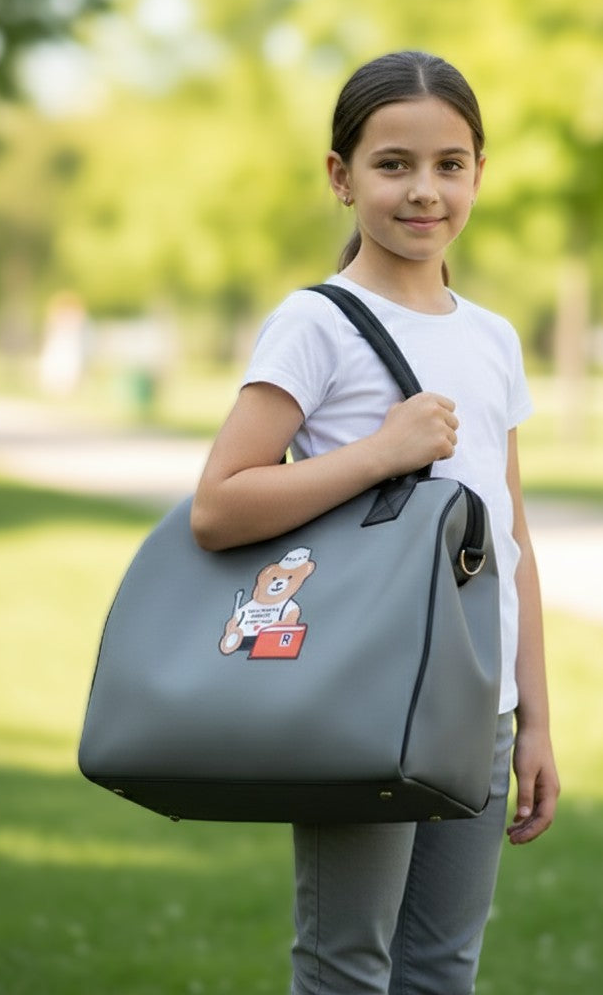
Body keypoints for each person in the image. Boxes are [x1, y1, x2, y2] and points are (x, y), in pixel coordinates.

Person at [191, 50, 559, 995]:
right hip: (365, 696)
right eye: (393, 164)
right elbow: (218, 504)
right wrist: (378, 452)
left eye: (450, 164)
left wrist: (535, 723)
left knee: (443, 965)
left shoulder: (491, 338)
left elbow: (509, 542)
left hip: (478, 702)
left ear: (481, 171)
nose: (424, 191)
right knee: (348, 963)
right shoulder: (317, 325)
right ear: (340, 176)